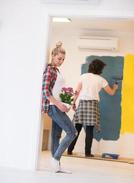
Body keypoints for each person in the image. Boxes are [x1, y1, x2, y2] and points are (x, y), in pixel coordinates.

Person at [67, 59, 118, 157]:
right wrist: (115, 88)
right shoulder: (101, 79)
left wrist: (73, 103)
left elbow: (76, 92)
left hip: (82, 104)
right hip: (93, 105)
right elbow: (111, 93)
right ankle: (87, 153)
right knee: (89, 130)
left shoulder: (83, 76)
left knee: (77, 129)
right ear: (100, 69)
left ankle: (69, 150)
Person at [42, 42, 77, 173]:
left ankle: (56, 166)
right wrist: (59, 104)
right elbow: (45, 91)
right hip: (52, 107)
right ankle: (55, 159)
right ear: (52, 55)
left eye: (63, 59)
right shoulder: (49, 70)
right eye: (59, 58)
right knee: (72, 132)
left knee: (56, 135)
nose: (61, 61)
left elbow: (60, 90)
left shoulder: (57, 70)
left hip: (58, 106)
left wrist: (69, 103)